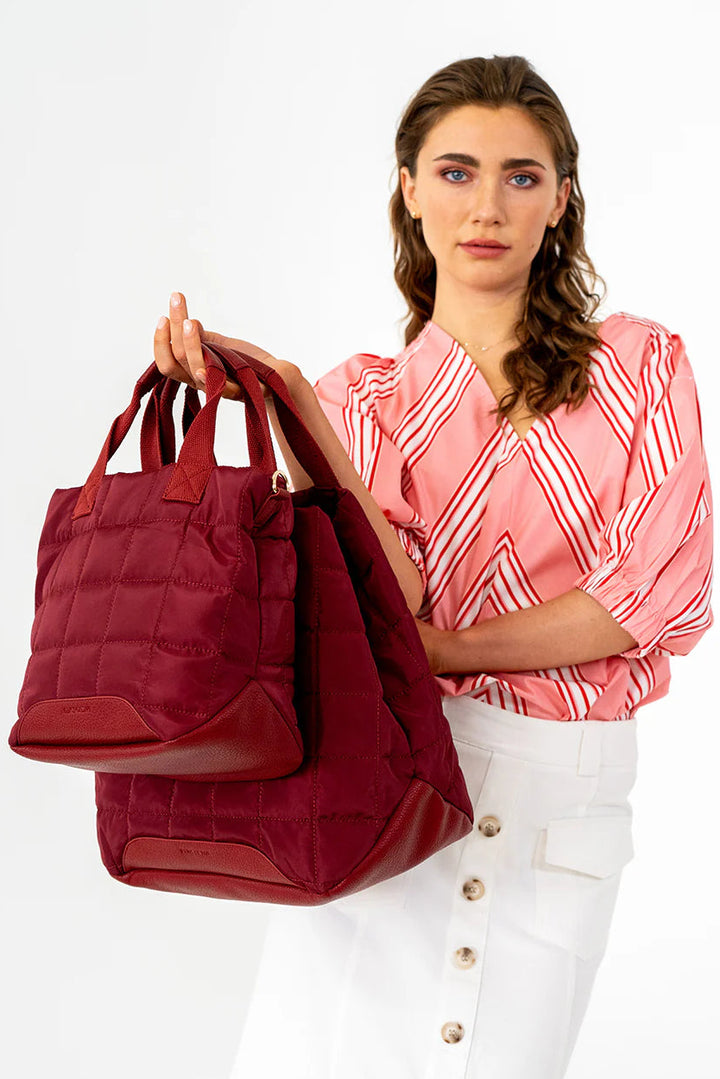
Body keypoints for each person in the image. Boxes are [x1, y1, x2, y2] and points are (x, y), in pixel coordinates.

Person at [154, 54, 714, 1079]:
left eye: (521, 174)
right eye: (455, 172)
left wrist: (447, 647)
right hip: (393, 779)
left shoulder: (641, 366)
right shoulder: (361, 399)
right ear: (408, 190)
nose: (486, 205)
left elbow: (659, 588)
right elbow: (391, 596)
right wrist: (292, 406)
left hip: (557, 795)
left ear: (563, 196)